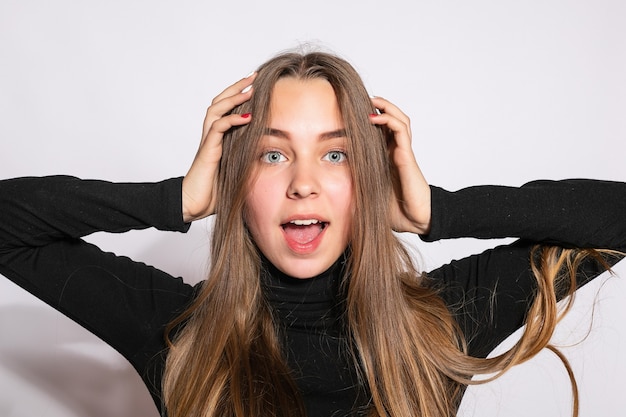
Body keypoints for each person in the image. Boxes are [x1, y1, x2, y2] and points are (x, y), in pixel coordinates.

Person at [0, 51, 624, 417]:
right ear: (235, 179)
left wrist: (436, 211)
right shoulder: (176, 331)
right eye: (271, 155)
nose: (303, 183)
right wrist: (181, 198)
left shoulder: (438, 324)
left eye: (336, 155)